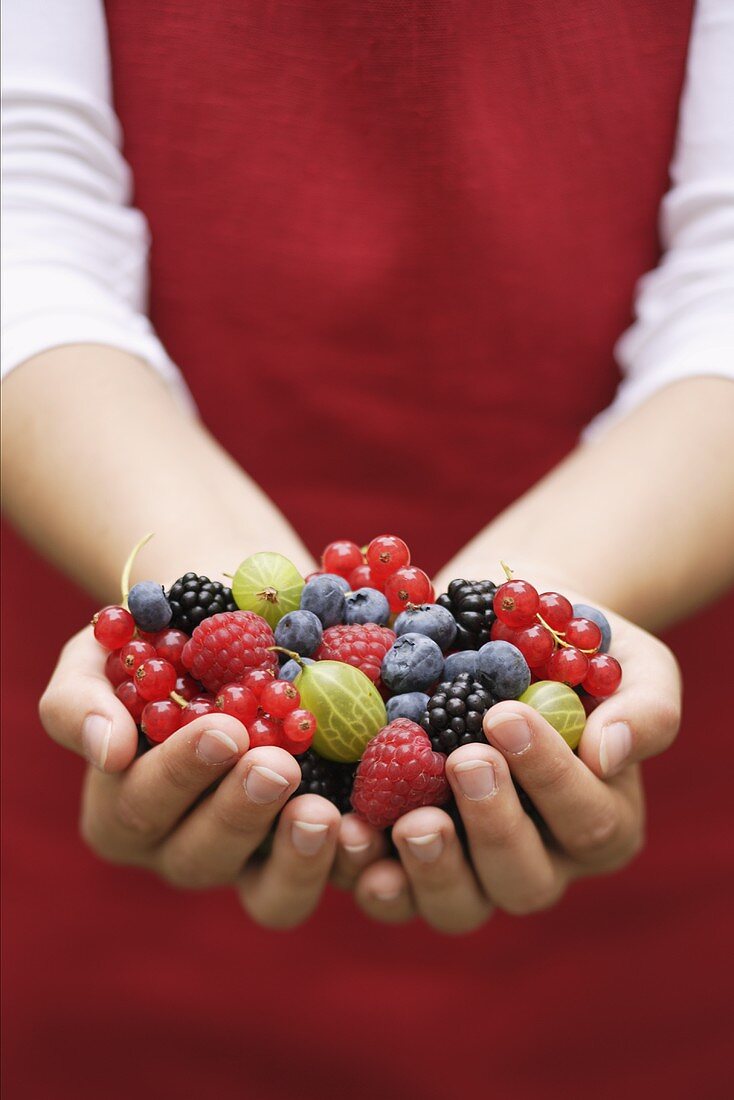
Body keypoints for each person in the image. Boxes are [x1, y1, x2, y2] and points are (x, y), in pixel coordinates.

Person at [2, 1, 733, 1097]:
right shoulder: (207, 669)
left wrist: (544, 605)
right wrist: (208, 632)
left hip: (664, 858)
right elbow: (24, 195)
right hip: (87, 816)